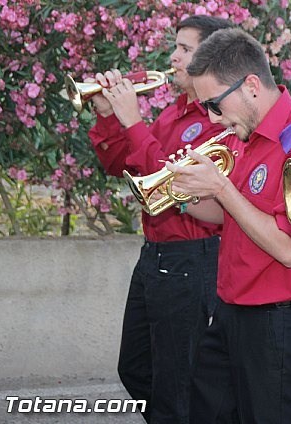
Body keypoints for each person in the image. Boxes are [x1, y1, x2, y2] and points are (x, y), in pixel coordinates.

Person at [164, 28, 291, 423]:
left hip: (273, 320)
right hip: (230, 309)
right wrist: (184, 195)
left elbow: (289, 249)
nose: (211, 117)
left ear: (251, 86)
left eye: (214, 103)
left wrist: (222, 189)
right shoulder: (241, 133)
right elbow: (228, 217)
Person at [87, 15, 234, 424]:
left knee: (176, 383)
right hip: (155, 256)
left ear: (213, 60)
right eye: (177, 47)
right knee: (135, 369)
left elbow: (170, 183)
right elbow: (121, 165)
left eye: (186, 50)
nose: (173, 57)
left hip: (191, 257)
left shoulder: (215, 123)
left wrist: (133, 121)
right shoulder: (172, 115)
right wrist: (107, 117)